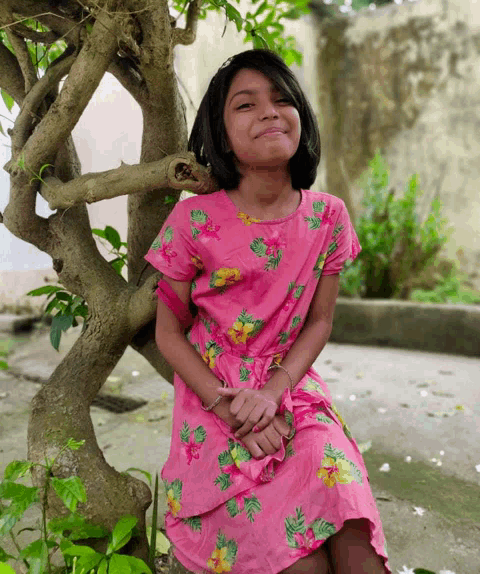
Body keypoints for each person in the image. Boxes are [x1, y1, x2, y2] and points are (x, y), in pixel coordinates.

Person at [144, 49, 391, 574]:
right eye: (246, 104)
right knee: (295, 559)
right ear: (219, 129)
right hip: (214, 396)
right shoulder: (193, 221)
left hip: (293, 391)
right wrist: (230, 409)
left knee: (352, 532)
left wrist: (275, 393)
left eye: (283, 100)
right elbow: (168, 334)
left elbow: (320, 322)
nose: (270, 112)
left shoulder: (329, 217)